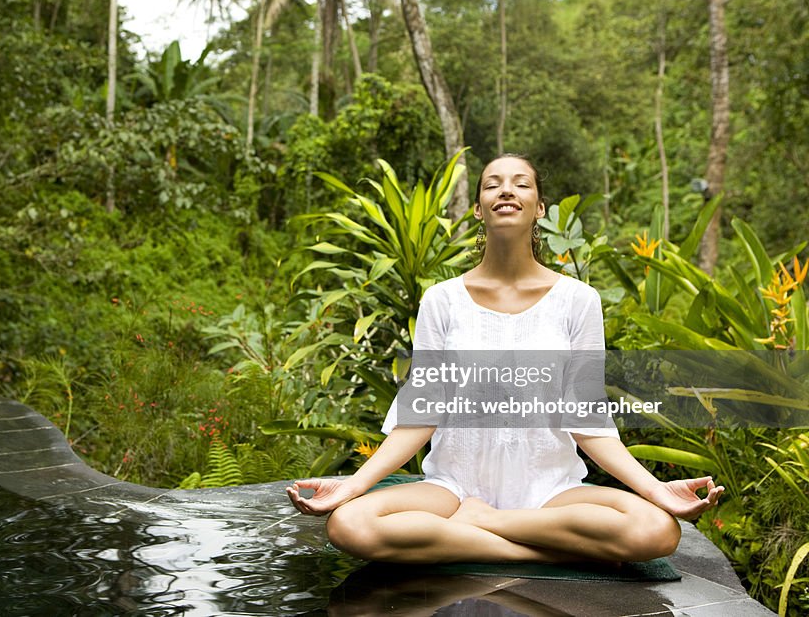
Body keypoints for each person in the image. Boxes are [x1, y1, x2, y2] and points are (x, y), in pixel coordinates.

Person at [285, 154, 724, 565]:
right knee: (349, 524)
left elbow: (586, 419)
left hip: (551, 491)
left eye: (521, 183)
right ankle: (532, 552)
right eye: (492, 184)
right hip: (452, 489)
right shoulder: (443, 301)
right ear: (479, 209)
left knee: (656, 531)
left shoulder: (578, 300)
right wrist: (352, 485)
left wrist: (656, 489)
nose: (506, 190)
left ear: (539, 208)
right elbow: (422, 412)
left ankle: (484, 526)